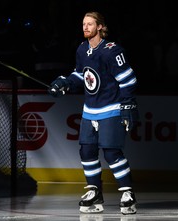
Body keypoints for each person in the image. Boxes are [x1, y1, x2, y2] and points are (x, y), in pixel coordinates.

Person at [48, 11, 139, 215]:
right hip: (90, 110)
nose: (85, 27)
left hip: (110, 109)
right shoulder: (82, 49)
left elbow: (128, 79)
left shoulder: (111, 51)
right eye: (83, 24)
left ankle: (127, 193)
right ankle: (94, 192)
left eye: (90, 24)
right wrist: (66, 82)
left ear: (100, 27)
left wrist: (128, 104)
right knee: (86, 151)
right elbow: (81, 74)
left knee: (111, 152)